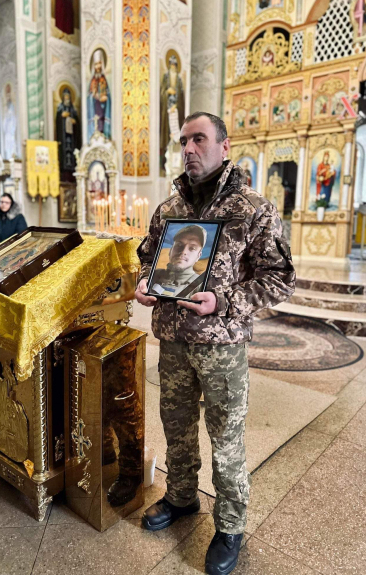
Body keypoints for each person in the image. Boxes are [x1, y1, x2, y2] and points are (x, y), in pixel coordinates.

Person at [135, 112, 295, 575]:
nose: (188, 149)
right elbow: (147, 259)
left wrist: (224, 301)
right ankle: (182, 498)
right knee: (177, 427)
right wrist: (146, 282)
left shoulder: (252, 209)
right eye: (183, 141)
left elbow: (280, 279)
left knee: (226, 441)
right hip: (173, 344)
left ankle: (229, 526)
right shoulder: (168, 211)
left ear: (225, 147)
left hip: (222, 347)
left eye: (199, 139)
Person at [150, 224, 207, 298]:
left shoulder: (201, 286)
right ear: (171, 250)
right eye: (179, 245)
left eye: (192, 248)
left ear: (198, 256)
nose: (183, 251)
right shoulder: (154, 276)